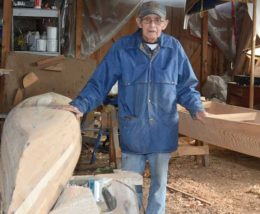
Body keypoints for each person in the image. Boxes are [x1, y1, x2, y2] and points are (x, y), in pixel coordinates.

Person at [61, 1, 207, 213]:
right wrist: (81, 104)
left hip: (162, 131)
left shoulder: (174, 49)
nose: (152, 25)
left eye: (157, 20)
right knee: (129, 186)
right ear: (139, 22)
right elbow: (100, 82)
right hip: (134, 132)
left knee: (158, 188)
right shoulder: (122, 49)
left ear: (165, 24)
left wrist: (196, 107)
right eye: (147, 20)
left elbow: (186, 87)